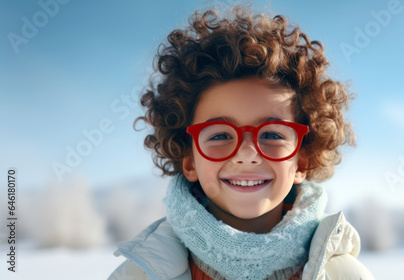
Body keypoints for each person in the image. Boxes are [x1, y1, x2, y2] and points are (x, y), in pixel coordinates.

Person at [108, 5, 375, 280]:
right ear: (189, 162)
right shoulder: (141, 273)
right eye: (220, 135)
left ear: (301, 163)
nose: (247, 154)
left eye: (272, 134)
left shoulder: (344, 275)